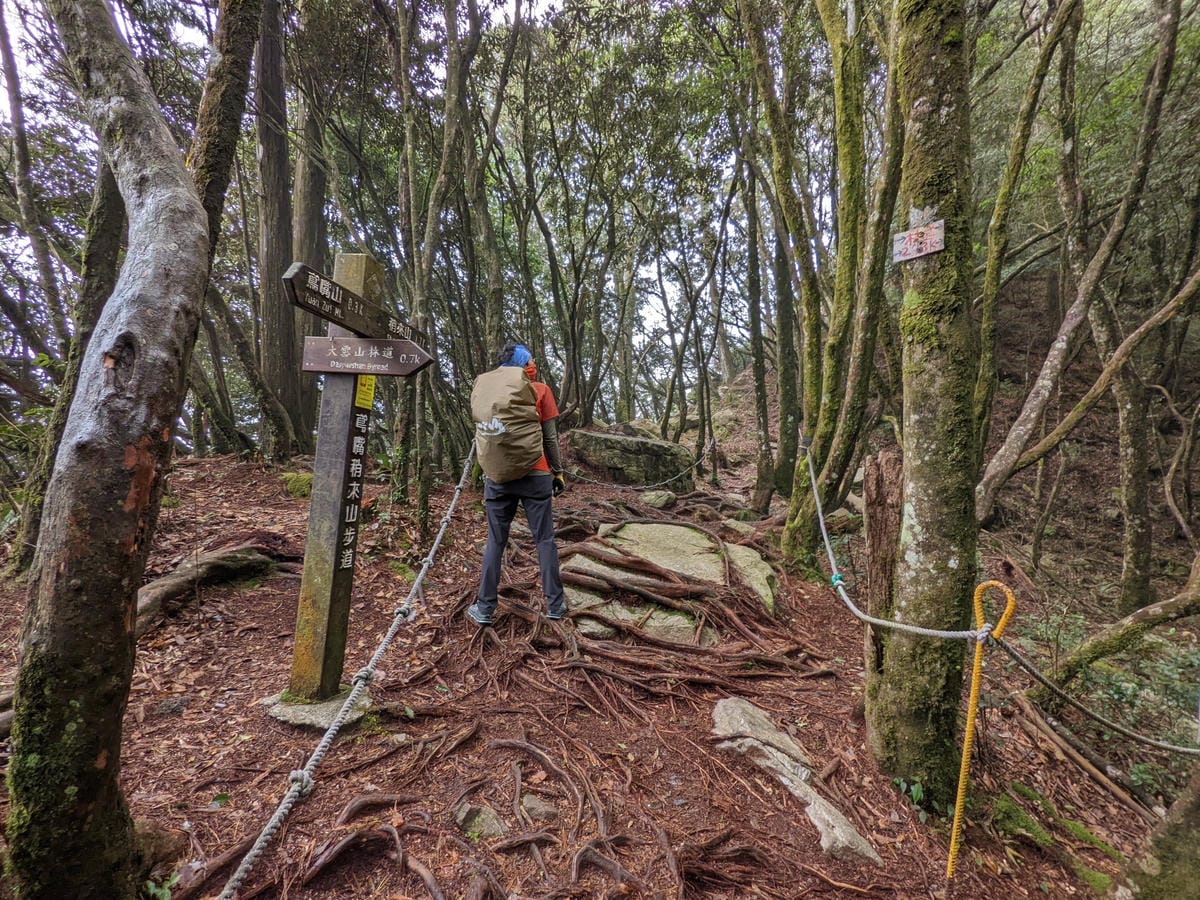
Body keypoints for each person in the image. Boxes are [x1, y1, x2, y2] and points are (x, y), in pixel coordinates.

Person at [468, 342, 567, 626]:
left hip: (497, 478)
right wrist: (558, 472)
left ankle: (485, 609)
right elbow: (550, 438)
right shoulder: (541, 390)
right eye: (531, 360)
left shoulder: (486, 391)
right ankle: (555, 606)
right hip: (536, 475)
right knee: (545, 539)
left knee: (495, 541)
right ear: (526, 365)